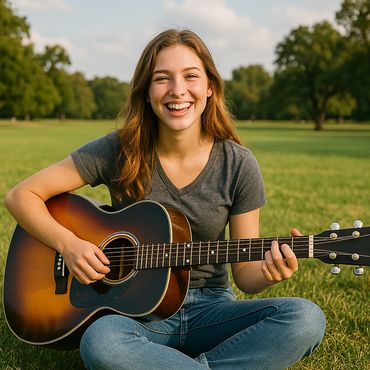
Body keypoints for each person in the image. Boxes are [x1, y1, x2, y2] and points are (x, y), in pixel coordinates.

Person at [5, 29, 326, 369]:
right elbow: (21, 195)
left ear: (209, 88)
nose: (177, 90)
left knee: (305, 317)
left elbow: (245, 276)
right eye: (162, 78)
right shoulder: (118, 150)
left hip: (211, 309)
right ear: (146, 91)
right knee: (102, 342)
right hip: (136, 315)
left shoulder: (238, 163)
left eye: (191, 76)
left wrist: (269, 271)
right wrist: (68, 244)